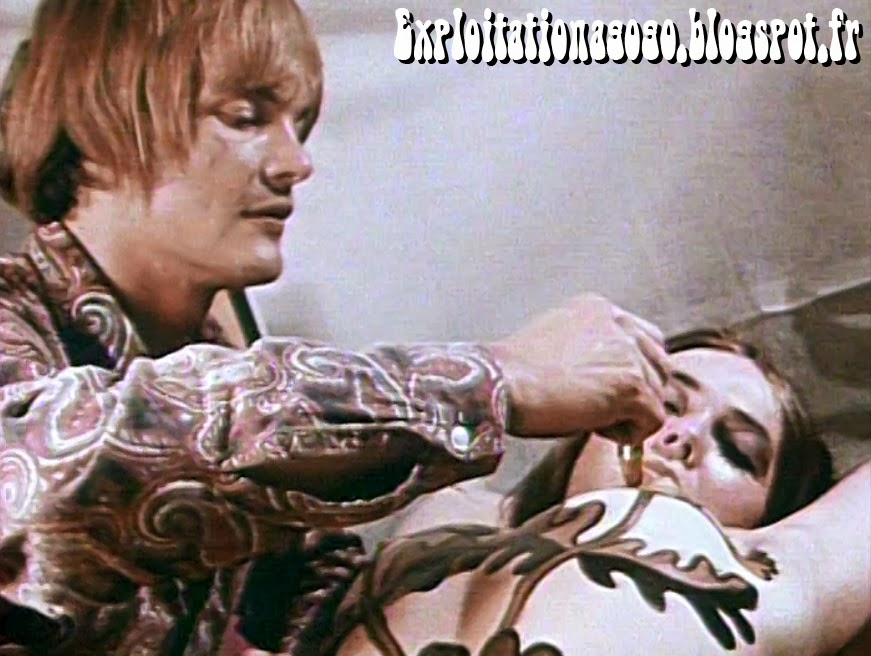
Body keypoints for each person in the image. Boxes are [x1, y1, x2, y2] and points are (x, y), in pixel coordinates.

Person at [0, 1, 673, 654]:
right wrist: (493, 380)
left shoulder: (221, 369)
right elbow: (48, 487)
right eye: (244, 117)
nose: (295, 163)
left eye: (299, 124)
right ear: (95, 133)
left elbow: (315, 595)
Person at [323, 332, 870, 656]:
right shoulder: (446, 515)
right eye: (666, 404)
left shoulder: (785, 572)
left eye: (738, 451)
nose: (681, 437)